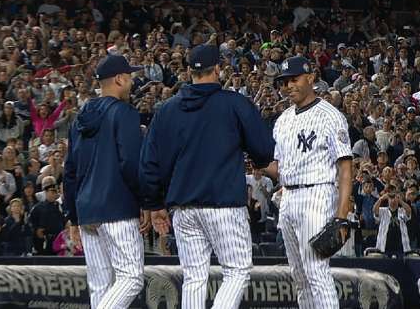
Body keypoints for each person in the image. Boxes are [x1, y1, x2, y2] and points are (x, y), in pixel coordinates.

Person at [139, 45, 273, 309]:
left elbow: (149, 163)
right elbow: (264, 150)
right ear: (219, 69)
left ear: (189, 72)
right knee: (236, 271)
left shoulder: (167, 110)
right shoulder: (235, 103)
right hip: (224, 205)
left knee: (194, 277)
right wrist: (256, 159)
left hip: (184, 210)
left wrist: (154, 204)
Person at [63, 54, 149, 308]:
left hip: (87, 210)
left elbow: (70, 171)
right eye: (130, 76)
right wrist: (146, 200)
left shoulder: (79, 119)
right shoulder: (125, 113)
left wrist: (73, 217)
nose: (132, 82)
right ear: (120, 79)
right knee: (131, 277)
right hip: (118, 207)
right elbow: (131, 164)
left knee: (101, 285)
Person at [270, 56, 353, 308]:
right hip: (288, 198)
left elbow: (346, 167)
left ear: (310, 77)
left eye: (293, 79)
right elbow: (278, 168)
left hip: (317, 194)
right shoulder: (282, 119)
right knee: (299, 276)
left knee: (316, 272)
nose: (288, 86)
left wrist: (341, 215)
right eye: (284, 82)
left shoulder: (330, 115)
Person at [373, 191, 413, 258]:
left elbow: (409, 211)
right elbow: (375, 210)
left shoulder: (402, 210)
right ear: (388, 200)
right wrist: (381, 199)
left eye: (394, 198)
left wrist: (400, 201)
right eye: (391, 198)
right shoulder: (383, 211)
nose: (393, 200)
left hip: (400, 245)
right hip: (385, 244)